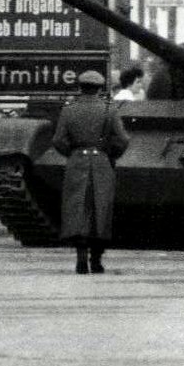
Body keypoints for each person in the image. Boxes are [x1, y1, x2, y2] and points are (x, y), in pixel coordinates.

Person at [51, 70, 130, 274]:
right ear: (99, 88)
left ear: (80, 87)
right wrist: (110, 155)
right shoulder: (109, 110)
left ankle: (80, 259)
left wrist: (73, 153)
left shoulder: (69, 109)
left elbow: (58, 140)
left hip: (76, 162)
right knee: (100, 210)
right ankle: (96, 260)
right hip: (102, 162)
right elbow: (122, 139)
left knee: (77, 210)